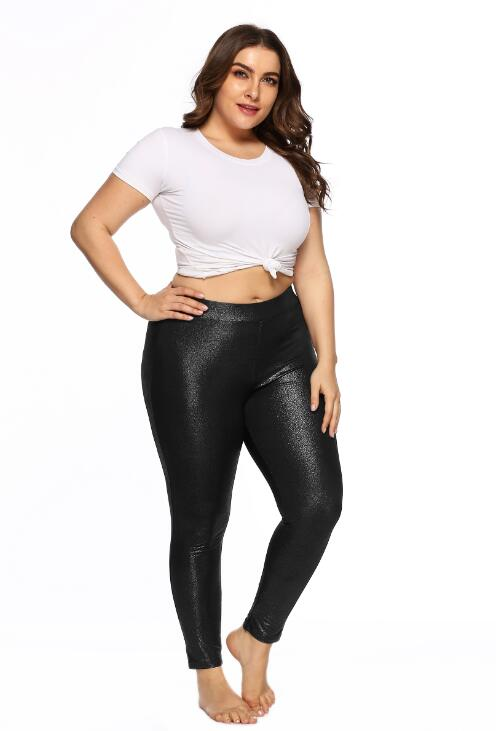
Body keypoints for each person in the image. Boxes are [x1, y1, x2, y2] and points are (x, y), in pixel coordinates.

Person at [70, 23, 343, 726]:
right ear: (217, 77)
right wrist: (143, 301)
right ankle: (207, 673)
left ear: (281, 91)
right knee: (201, 520)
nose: (254, 91)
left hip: (284, 345)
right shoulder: (169, 148)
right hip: (196, 347)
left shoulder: (290, 164)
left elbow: (312, 267)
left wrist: (328, 361)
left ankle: (256, 635)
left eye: (269, 79)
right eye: (242, 73)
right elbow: (91, 225)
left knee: (317, 503)